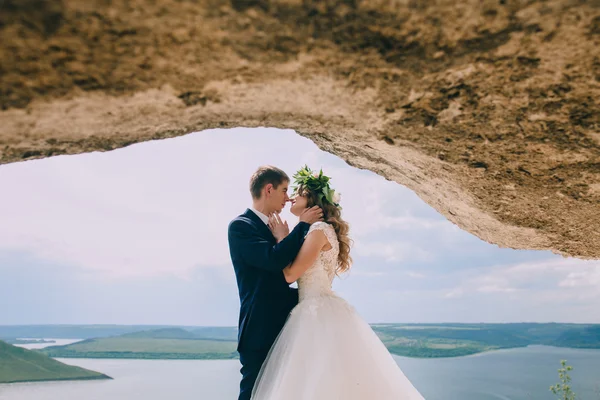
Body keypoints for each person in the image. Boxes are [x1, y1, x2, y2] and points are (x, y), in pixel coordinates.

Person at [250, 165, 425, 400]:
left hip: (314, 313)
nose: (291, 197)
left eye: (298, 193)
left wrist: (281, 238)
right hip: (315, 307)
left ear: (312, 200)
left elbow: (290, 275)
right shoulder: (316, 230)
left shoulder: (318, 230)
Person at [227, 165, 323, 400]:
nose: (288, 197)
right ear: (268, 189)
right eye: (284, 190)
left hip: (288, 325)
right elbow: (273, 261)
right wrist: (302, 225)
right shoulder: (241, 226)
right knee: (253, 392)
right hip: (259, 328)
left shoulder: (276, 227)